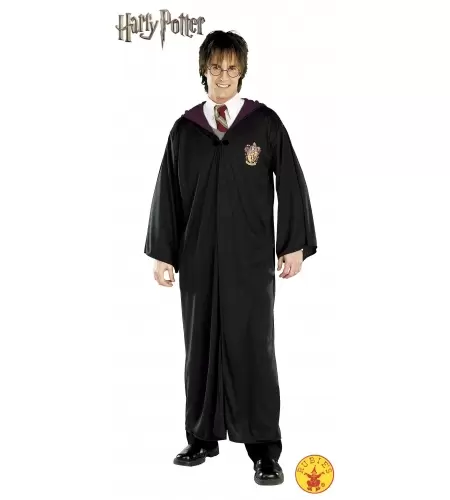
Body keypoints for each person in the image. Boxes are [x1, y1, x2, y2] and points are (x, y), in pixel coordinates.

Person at [144, 30, 317, 486]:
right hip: (198, 257)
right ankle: (201, 437)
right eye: (215, 67)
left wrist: (293, 242)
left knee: (253, 346)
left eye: (231, 68)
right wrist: (163, 253)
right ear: (203, 70)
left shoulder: (263, 123)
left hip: (249, 258)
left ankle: (263, 449)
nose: (223, 76)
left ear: (242, 72)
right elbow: (167, 193)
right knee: (200, 344)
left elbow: (291, 182)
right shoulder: (185, 129)